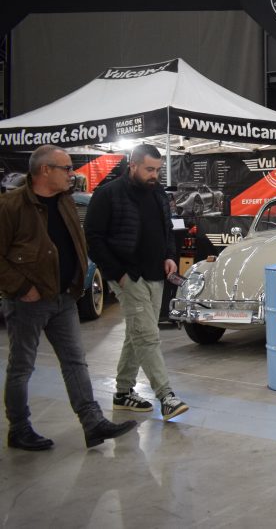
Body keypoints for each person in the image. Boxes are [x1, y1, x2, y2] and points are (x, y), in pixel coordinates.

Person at [0, 144, 137, 450]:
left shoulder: (65, 202)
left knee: (76, 362)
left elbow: (76, 242)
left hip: (64, 298)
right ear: (44, 170)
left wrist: (77, 282)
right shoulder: (10, 206)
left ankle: (92, 422)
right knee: (21, 367)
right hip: (27, 302)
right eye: (65, 168)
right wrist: (22, 288)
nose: (71, 174)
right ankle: (18, 429)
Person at [84, 144, 189, 421]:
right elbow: (93, 237)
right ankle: (166, 396)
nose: (154, 175)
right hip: (128, 276)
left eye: (157, 170)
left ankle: (122, 393)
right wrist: (118, 273)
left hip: (156, 273)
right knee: (147, 335)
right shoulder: (108, 194)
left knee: (138, 332)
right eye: (149, 169)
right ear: (132, 165)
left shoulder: (157, 192)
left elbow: (167, 229)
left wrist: (170, 255)